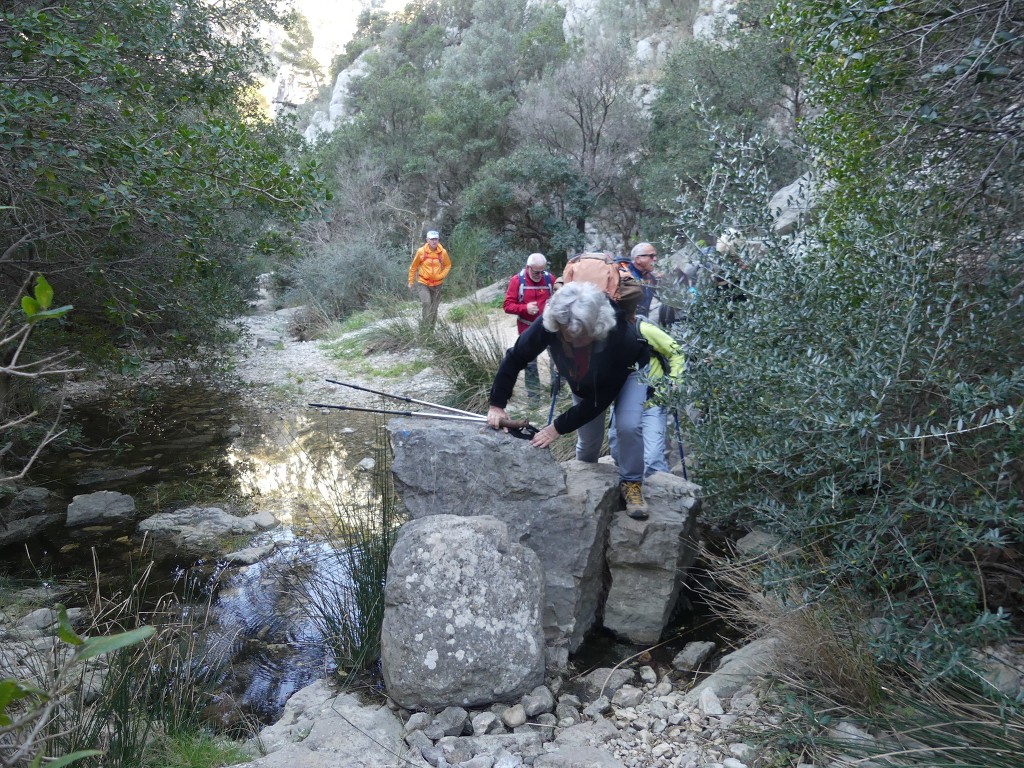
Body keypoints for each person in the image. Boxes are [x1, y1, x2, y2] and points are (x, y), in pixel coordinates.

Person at [487, 282, 652, 518]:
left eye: (583, 337)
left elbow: (600, 399)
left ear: (597, 326)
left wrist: (557, 427)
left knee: (628, 425)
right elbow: (516, 358)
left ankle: (632, 482)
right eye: (568, 337)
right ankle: (586, 478)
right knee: (588, 440)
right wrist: (497, 405)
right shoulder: (551, 323)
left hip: (629, 372)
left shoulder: (619, 335)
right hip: (583, 378)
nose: (575, 344)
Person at [608, 318, 684, 477]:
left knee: (653, 459)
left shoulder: (643, 330)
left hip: (653, 401)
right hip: (622, 405)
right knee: (617, 453)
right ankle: (630, 491)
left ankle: (663, 499)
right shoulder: (604, 332)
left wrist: (675, 380)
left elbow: (676, 351)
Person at [503, 253, 555, 405]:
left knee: (557, 361)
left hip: (549, 327)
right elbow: (507, 306)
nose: (539, 275)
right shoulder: (517, 281)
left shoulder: (549, 279)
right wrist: (525, 308)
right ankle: (534, 400)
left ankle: (556, 396)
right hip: (528, 328)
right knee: (530, 364)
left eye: (542, 271)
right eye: (536, 272)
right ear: (528, 268)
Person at [408, 230, 451, 331]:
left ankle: (430, 332)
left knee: (434, 308)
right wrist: (410, 282)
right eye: (431, 239)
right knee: (427, 303)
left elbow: (448, 265)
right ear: (427, 240)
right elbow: (413, 267)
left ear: (438, 240)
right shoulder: (421, 252)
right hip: (423, 283)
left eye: (435, 239)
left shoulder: (443, 252)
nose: (434, 241)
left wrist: (441, 275)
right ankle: (424, 329)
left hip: (437, 284)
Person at [626, 242, 660, 319]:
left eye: (655, 256)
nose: (655, 259)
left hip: (642, 320)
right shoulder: (626, 278)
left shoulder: (651, 276)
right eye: (651, 256)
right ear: (638, 259)